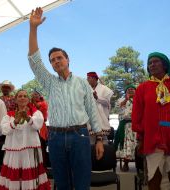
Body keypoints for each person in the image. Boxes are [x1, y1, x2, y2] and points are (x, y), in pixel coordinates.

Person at [28, 8, 104, 190]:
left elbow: (92, 111)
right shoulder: (49, 82)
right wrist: (33, 28)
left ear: (68, 59)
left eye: (59, 58)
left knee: (82, 183)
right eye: (52, 60)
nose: (56, 61)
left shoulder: (82, 83)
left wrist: (99, 139)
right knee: (61, 184)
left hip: (80, 136)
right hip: (55, 137)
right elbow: (34, 60)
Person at [132, 52, 170, 190]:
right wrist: (140, 139)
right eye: (149, 63)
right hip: (153, 140)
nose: (152, 65)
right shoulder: (142, 89)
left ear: (165, 64)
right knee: (153, 180)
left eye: (156, 61)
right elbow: (137, 116)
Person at [0, 89, 51, 190]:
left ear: (28, 99)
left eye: (25, 96)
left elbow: (38, 125)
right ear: (16, 99)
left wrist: (27, 118)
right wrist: (15, 121)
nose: (22, 98)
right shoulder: (9, 114)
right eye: (20, 96)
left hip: (30, 151)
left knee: (31, 177)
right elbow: (4, 130)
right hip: (14, 151)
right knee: (14, 177)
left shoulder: (36, 112)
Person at [114, 85, 137, 172]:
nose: (131, 90)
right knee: (125, 143)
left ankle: (139, 163)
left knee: (138, 144)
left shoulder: (139, 99)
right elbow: (118, 109)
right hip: (125, 125)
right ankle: (126, 163)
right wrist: (126, 99)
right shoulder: (121, 100)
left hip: (137, 125)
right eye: (129, 89)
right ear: (125, 92)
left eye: (133, 89)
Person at [87, 72, 113, 142]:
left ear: (94, 79)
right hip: (90, 118)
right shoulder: (87, 89)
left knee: (103, 140)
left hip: (101, 119)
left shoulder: (104, 89)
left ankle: (105, 152)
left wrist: (97, 98)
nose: (87, 80)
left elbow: (107, 103)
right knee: (91, 141)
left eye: (88, 78)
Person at [0, 80, 16, 175]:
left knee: (10, 144)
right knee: (0, 144)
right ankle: (0, 163)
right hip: (0, 124)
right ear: (2, 89)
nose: (6, 89)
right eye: (4, 87)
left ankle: (10, 164)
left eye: (7, 87)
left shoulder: (14, 99)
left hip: (11, 125)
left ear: (10, 89)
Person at [31, 90, 49, 167]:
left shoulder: (43, 103)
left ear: (40, 95)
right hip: (32, 127)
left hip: (41, 127)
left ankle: (43, 167)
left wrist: (33, 101)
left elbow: (39, 110)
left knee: (41, 148)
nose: (35, 96)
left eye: (36, 94)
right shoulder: (31, 104)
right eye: (33, 94)